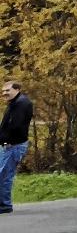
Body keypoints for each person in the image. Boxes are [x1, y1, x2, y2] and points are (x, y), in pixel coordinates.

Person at [0, 81, 31, 215]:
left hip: (14, 146)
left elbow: (15, 126)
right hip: (10, 146)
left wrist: (3, 139)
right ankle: (3, 204)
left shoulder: (21, 104)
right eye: (3, 91)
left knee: (4, 176)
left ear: (17, 89)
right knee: (3, 175)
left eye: (8, 90)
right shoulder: (15, 103)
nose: (4, 93)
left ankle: (5, 205)